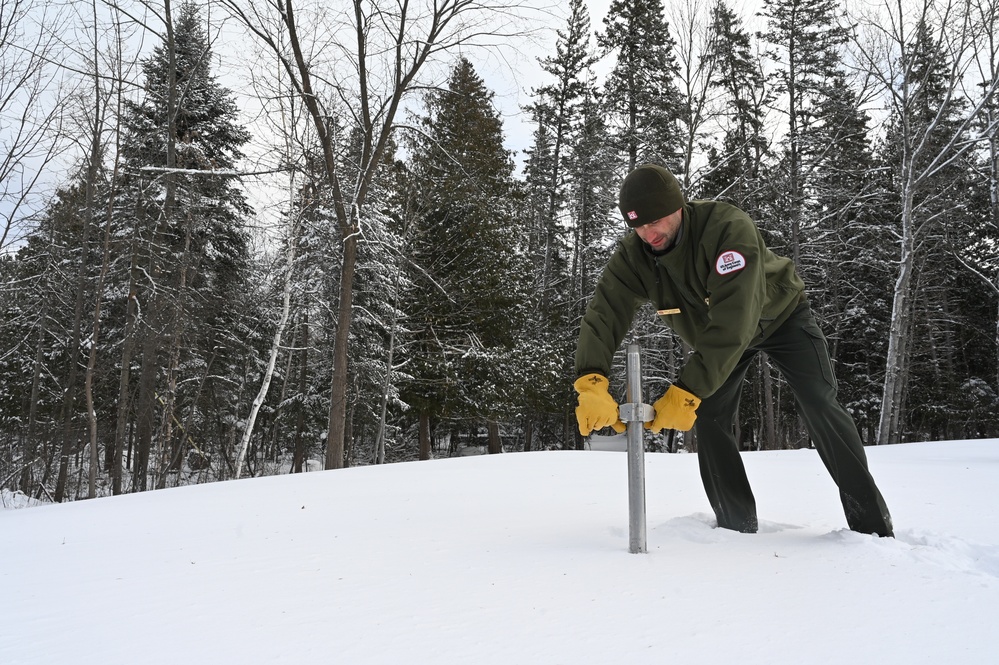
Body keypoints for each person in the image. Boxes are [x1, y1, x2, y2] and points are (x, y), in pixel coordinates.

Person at [574, 163, 893, 537]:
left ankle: (872, 527)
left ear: (678, 206)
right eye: (638, 226)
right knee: (709, 416)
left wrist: (687, 389)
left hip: (780, 318)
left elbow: (735, 317)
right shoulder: (635, 256)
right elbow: (604, 312)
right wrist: (591, 380)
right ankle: (735, 526)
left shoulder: (726, 228)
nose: (649, 233)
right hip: (718, 340)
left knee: (820, 403)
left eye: (655, 220)